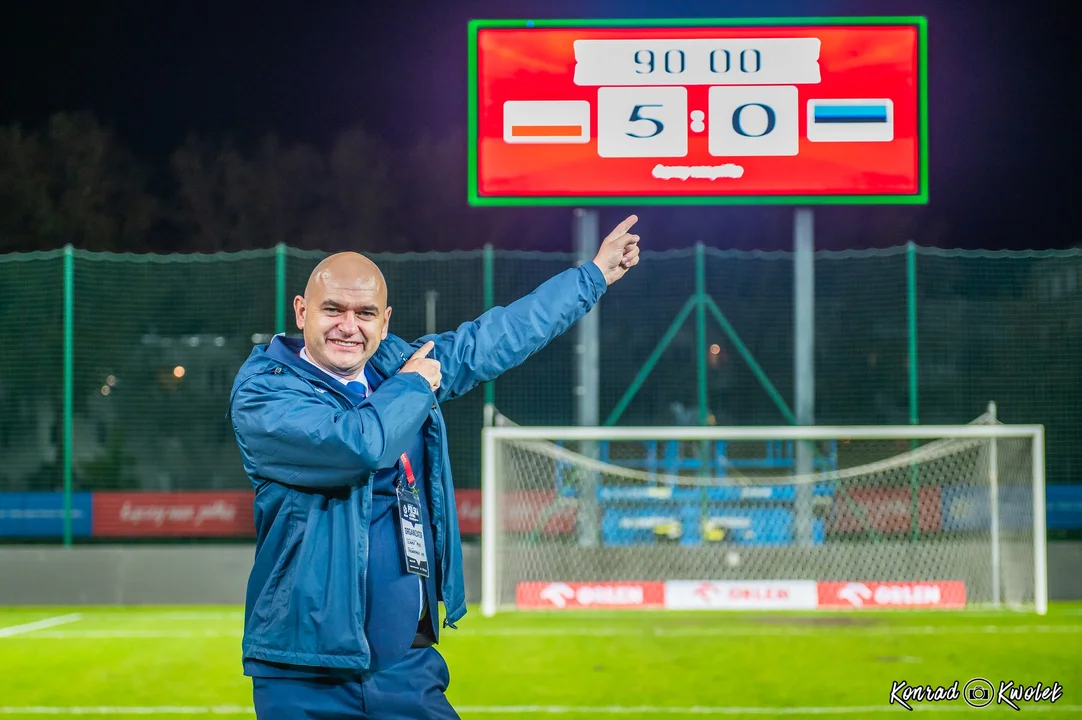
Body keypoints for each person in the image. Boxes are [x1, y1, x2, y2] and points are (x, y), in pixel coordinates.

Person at [228, 215, 642, 719]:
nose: (347, 326)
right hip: (305, 673)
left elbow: (495, 338)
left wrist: (591, 276)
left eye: (365, 313)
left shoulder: (399, 366)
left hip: (406, 666)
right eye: (332, 309)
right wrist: (415, 385)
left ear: (384, 320)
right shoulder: (266, 391)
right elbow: (357, 446)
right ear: (301, 311)